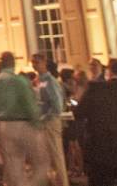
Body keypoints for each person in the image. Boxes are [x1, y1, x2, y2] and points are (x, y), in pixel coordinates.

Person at [0, 52, 43, 186]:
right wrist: (37, 124)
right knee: (28, 163)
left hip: (3, 125)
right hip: (21, 123)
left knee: (11, 163)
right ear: (13, 63)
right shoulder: (19, 81)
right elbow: (30, 105)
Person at [31, 54, 68, 186]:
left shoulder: (49, 81)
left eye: (37, 62)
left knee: (56, 155)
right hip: (45, 121)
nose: (34, 65)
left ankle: (62, 182)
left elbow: (57, 105)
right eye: (33, 62)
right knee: (48, 157)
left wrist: (44, 116)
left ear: (44, 62)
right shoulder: (41, 80)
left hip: (50, 121)